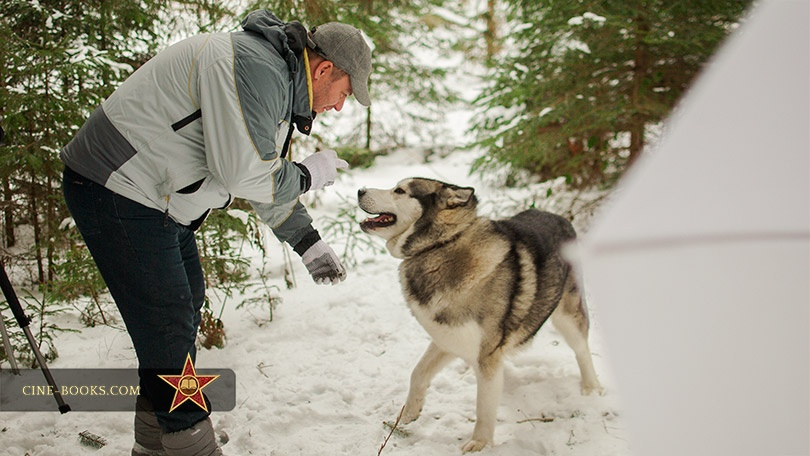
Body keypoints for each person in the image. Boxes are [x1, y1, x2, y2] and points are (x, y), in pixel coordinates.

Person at [60, 10, 371, 456]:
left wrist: (307, 241)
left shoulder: (277, 84)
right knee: (167, 322)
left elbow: (257, 173)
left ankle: (155, 440)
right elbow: (245, 173)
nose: (339, 106)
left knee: (183, 305)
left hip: (153, 197)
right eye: (344, 93)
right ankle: (190, 441)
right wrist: (306, 175)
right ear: (323, 70)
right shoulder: (256, 68)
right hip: (113, 184)